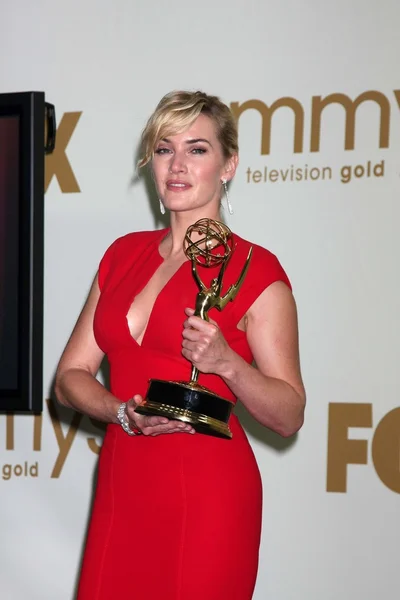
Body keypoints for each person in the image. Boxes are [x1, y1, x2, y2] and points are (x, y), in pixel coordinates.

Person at [55, 90, 306, 600]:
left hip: (209, 491)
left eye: (197, 149)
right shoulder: (121, 256)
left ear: (228, 164)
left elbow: (289, 414)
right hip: (124, 482)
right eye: (165, 148)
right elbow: (68, 378)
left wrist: (227, 364)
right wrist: (119, 411)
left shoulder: (257, 270)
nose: (177, 164)